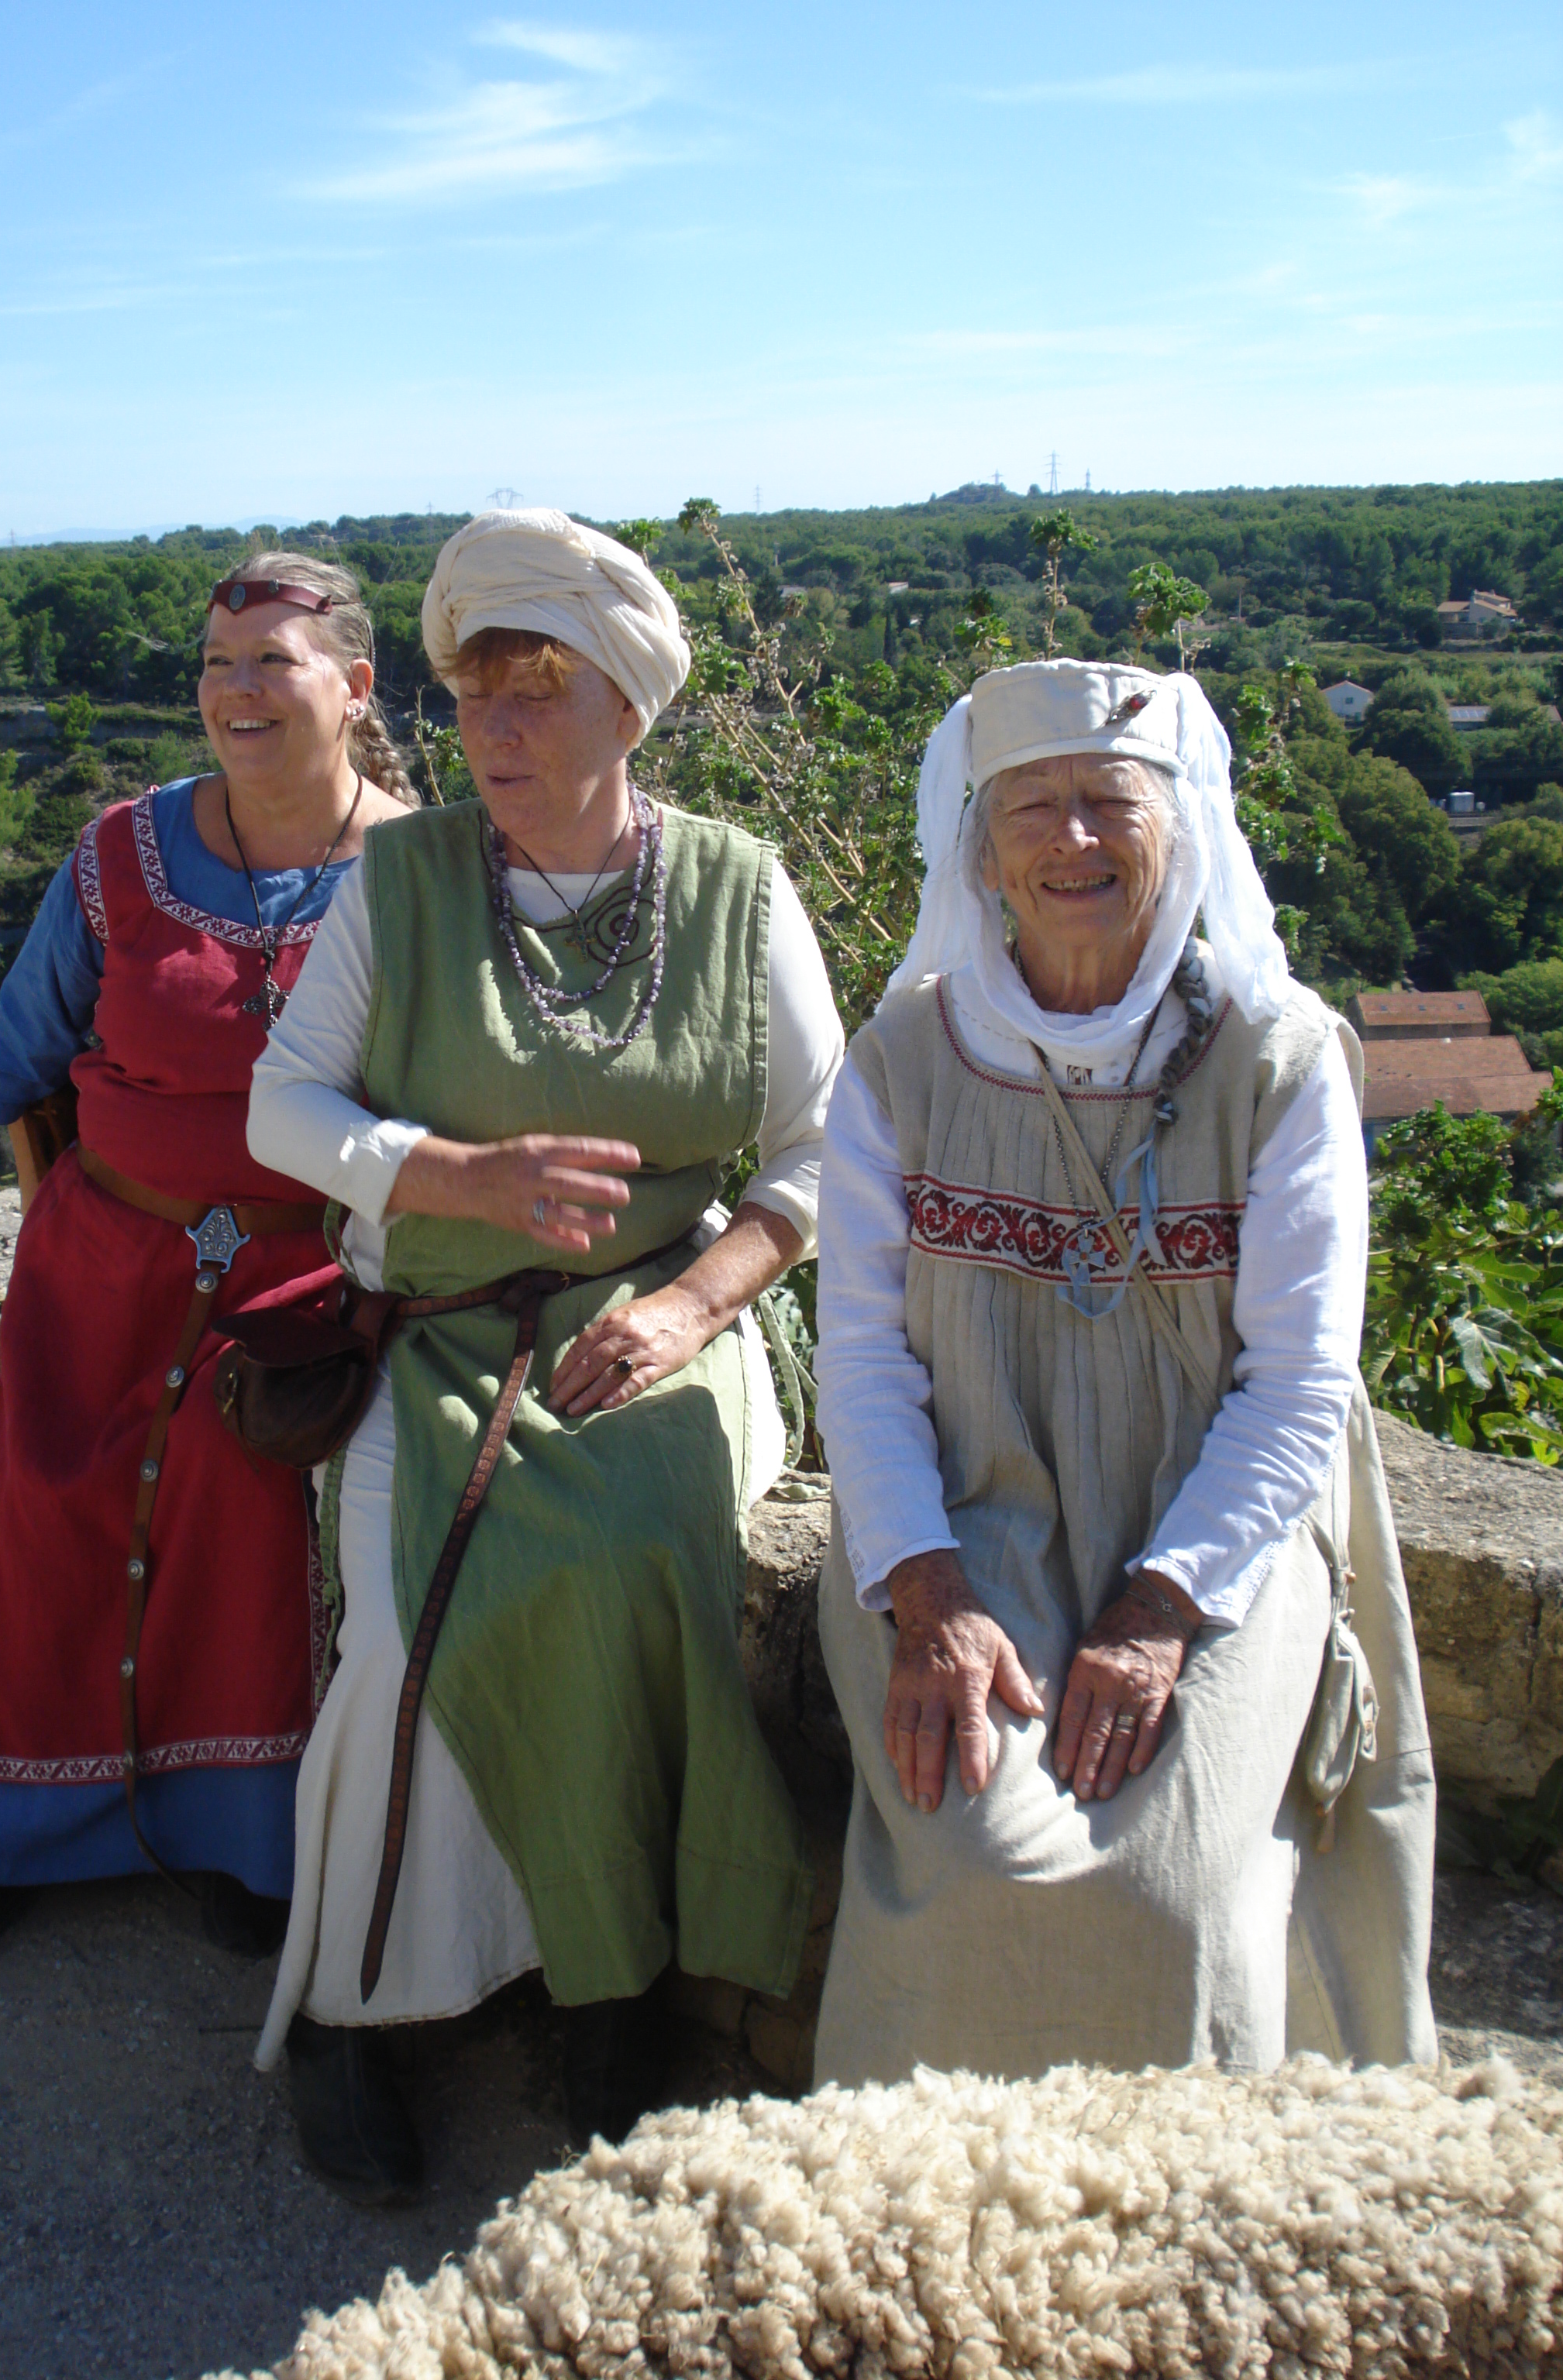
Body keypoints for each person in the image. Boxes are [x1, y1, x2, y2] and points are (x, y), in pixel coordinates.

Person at [243, 507, 845, 2200]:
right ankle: (359, 1998)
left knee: (641, 1553)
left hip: (670, 1314)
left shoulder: (735, 890)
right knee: (405, 1624)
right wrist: (456, 1178)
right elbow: (285, 1107)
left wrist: (695, 1306)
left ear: (627, 707)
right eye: (472, 696)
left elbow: (823, 1154)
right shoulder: (403, 883)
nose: (495, 731)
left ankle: (613, 1984)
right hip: (440, 1322)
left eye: (539, 692)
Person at [811, 657, 1437, 2087]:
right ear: (980, 850)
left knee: (1171, 1887)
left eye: (1111, 800)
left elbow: (1297, 1386)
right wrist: (931, 1595)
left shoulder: (1278, 1061)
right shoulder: (901, 1061)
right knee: (974, 1851)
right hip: (967, 1523)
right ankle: (918, 2183)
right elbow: (864, 1357)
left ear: (1182, 826)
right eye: (1032, 807)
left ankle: (1186, 2199)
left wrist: (1161, 1610)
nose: (1073, 839)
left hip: (1214, 1533)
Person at [0, 554, 415, 2017]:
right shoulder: (119, 855)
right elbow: (19, 1063)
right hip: (99, 1271)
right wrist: (78, 1249)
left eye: (273, 661)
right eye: (218, 664)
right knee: (42, 1534)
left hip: (303, 1298)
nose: (237, 691)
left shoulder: (423, 874)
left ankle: (245, 1847)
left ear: (354, 686)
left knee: (252, 1546)